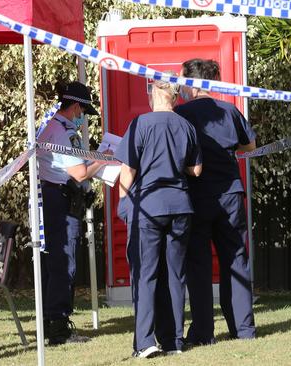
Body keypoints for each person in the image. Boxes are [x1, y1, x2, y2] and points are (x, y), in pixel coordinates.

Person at [115, 78, 202, 358]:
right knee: (175, 275)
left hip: (149, 207)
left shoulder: (140, 124)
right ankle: (174, 340)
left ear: (153, 94)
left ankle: (145, 342)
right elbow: (197, 170)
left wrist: (122, 203)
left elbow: (127, 170)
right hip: (181, 205)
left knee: (145, 274)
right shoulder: (186, 126)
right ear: (175, 97)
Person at [174, 58, 257, 345]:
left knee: (199, 265)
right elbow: (250, 146)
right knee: (236, 260)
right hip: (231, 194)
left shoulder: (181, 113)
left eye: (182, 79)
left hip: (197, 196)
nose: (179, 85)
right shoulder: (230, 110)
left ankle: (202, 333)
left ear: (193, 82)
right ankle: (243, 329)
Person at [37, 81, 106, 345]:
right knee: (64, 262)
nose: (82, 118)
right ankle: (58, 327)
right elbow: (78, 173)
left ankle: (50, 322)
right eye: (82, 112)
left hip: (52, 195)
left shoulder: (49, 125)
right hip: (61, 199)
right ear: (75, 106)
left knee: (53, 262)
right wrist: (102, 158)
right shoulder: (63, 132)